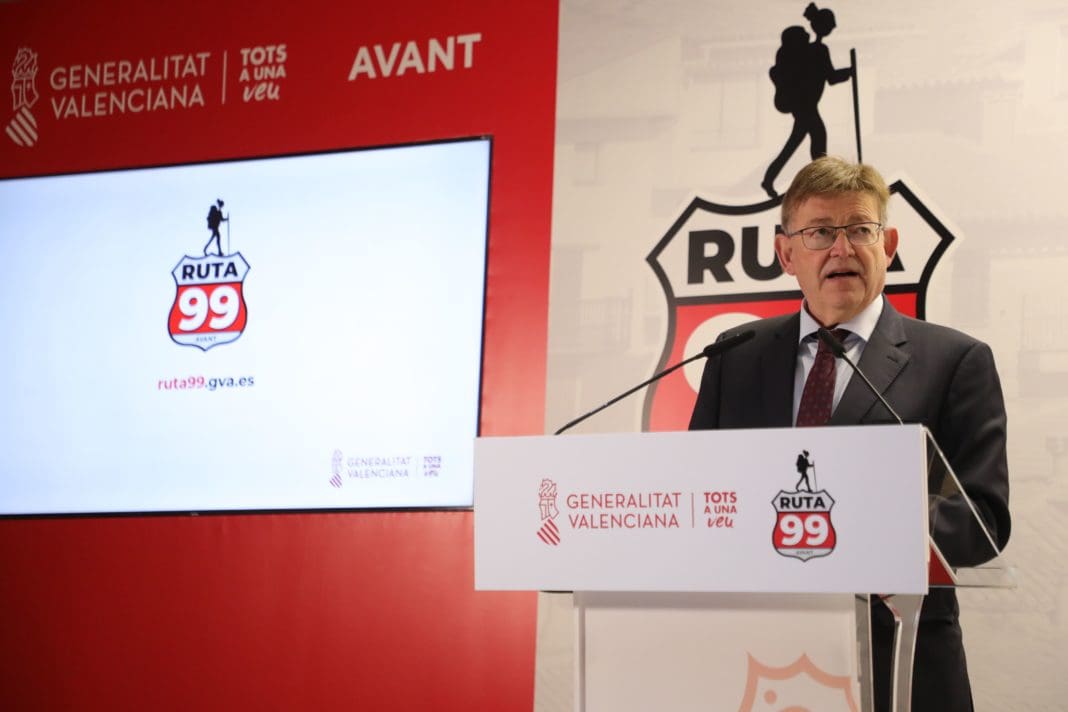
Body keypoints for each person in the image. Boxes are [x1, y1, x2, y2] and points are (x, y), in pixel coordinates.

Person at [689, 156, 1010, 712]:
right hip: (755, 657)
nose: (841, 249)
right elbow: (698, 495)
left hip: (899, 664)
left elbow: (983, 522)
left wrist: (855, 520)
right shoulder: (735, 357)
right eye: (819, 232)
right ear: (786, 254)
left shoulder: (955, 361)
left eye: (860, 230)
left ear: (888, 245)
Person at [762, 3, 853, 198]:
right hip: (806, 105)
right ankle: (821, 182)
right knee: (817, 138)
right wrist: (850, 72)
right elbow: (831, 77)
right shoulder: (818, 50)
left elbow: (827, 77)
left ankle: (770, 179)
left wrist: (848, 72)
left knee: (798, 142)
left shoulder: (813, 50)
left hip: (806, 105)